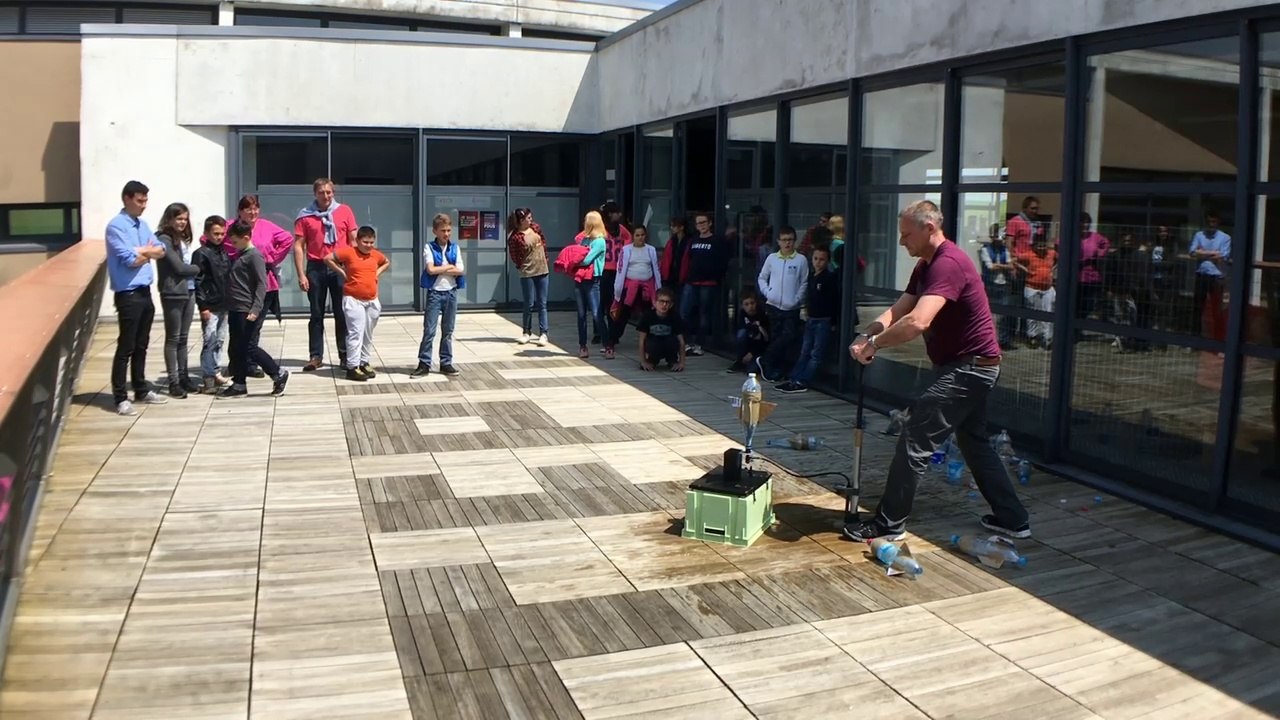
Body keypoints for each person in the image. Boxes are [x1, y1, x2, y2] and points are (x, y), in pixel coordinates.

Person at [843, 200, 1029, 542]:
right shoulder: (926, 265)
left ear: (929, 228)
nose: (901, 242)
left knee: (915, 439)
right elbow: (900, 308)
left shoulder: (949, 264)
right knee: (974, 442)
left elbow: (917, 321)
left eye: (906, 235)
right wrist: (867, 334)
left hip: (970, 369)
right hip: (972, 366)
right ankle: (1013, 519)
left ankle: (889, 524)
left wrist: (875, 346)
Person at [105, 180, 168, 416]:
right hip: (128, 293)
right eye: (140, 200)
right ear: (127, 199)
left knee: (142, 343)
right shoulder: (116, 226)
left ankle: (141, 388)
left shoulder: (142, 225)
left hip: (144, 291)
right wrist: (144, 252)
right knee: (126, 346)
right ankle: (120, 397)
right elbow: (128, 259)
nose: (144, 205)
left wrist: (142, 251)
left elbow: (161, 250)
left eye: (145, 200)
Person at [293, 177, 358, 372]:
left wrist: (355, 270)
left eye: (329, 192)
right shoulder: (305, 216)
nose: (326, 196)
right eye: (321, 192)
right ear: (315, 194)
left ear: (333, 193)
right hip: (316, 266)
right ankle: (315, 356)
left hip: (340, 267)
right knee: (316, 314)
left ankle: (345, 355)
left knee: (342, 313)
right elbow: (298, 246)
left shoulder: (345, 211)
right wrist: (301, 274)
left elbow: (354, 241)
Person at [221, 220, 290, 398]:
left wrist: (256, 309)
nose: (233, 245)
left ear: (245, 238)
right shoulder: (240, 254)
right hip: (235, 307)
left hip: (247, 308)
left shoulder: (254, 256)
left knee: (249, 347)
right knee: (238, 347)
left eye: (235, 241)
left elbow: (261, 284)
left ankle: (277, 373)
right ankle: (239, 383)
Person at [236, 194, 295, 378]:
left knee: (254, 327)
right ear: (240, 211)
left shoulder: (266, 226)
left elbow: (288, 239)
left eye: (255, 208)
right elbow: (209, 238)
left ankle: (251, 364)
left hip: (265, 285)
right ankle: (238, 364)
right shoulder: (233, 227)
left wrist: (272, 258)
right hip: (240, 287)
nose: (252, 212)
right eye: (248, 209)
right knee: (238, 328)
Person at [327, 225, 390, 381]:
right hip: (353, 299)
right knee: (356, 332)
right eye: (365, 242)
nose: (368, 245)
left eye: (371, 242)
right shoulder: (349, 252)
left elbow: (386, 262)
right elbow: (327, 258)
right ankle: (352, 366)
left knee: (368, 333)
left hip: (372, 299)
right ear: (358, 240)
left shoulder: (375, 255)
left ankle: (364, 362)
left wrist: (377, 273)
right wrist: (341, 271)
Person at [777, 246, 839, 394]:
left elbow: (834, 301)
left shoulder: (829, 278)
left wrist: (834, 322)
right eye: (816, 259)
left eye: (822, 259)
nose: (818, 262)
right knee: (805, 351)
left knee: (815, 353)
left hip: (823, 320)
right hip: (811, 318)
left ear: (828, 261)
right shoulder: (811, 276)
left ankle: (802, 380)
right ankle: (794, 378)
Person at [155, 202, 201, 398]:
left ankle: (184, 377)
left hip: (189, 291)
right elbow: (179, 267)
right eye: (178, 218)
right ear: (170, 219)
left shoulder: (182, 239)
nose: (182, 222)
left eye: (184, 218)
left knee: (183, 338)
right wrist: (200, 268)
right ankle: (173, 381)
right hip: (173, 292)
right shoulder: (163, 239)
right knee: (173, 338)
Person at [754, 226, 809, 381]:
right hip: (773, 305)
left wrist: (797, 299)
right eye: (784, 240)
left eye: (790, 240)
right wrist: (768, 292)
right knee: (776, 337)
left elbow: (804, 282)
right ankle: (773, 369)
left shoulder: (801, 260)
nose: (787, 243)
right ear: (778, 241)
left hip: (792, 307)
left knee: (788, 337)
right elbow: (762, 277)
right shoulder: (772, 258)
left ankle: (765, 360)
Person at [413, 213, 465, 378]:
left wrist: (442, 267)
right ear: (435, 231)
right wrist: (449, 267)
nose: (447, 234)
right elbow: (430, 270)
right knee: (429, 330)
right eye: (443, 230)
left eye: (449, 230)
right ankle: (424, 363)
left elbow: (461, 270)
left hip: (451, 292)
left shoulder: (455, 247)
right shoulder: (429, 247)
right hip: (435, 293)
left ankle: (446, 362)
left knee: (448, 330)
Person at [606, 224, 662, 359]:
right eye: (637, 235)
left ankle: (651, 342)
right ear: (633, 236)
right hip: (630, 287)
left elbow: (656, 271)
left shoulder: (651, 250)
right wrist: (618, 292)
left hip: (647, 287)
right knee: (622, 315)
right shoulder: (626, 250)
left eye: (642, 235)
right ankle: (611, 342)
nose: (640, 238)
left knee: (649, 315)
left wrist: (658, 290)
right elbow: (621, 271)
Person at [677, 212, 728, 356]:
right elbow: (687, 260)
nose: (701, 226)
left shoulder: (717, 240)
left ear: (710, 223)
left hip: (709, 283)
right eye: (698, 223)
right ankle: (686, 343)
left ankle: (699, 344)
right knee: (684, 312)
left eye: (704, 222)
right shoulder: (692, 240)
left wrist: (717, 277)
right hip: (691, 281)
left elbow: (723, 261)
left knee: (704, 314)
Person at [192, 215, 232, 394]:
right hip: (210, 304)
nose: (219, 237)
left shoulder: (223, 252)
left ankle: (215, 371)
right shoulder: (201, 254)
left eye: (222, 233)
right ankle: (208, 376)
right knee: (210, 339)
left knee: (220, 339)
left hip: (223, 302)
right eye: (215, 233)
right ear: (206, 233)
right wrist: (203, 306)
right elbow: (198, 281)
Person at [506, 207, 549, 346]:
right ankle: (526, 332)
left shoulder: (536, 228)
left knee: (542, 303)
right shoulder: (515, 236)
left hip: (542, 270)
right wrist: (522, 264)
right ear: (521, 220)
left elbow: (543, 243)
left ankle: (543, 333)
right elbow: (514, 256)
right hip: (527, 272)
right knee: (528, 303)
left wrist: (545, 259)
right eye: (528, 218)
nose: (531, 220)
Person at [573, 211, 608, 359]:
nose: (584, 224)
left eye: (586, 221)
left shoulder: (599, 241)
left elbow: (586, 260)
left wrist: (574, 261)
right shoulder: (585, 240)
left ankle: (607, 345)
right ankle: (582, 346)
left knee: (596, 314)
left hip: (593, 280)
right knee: (581, 315)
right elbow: (577, 241)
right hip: (580, 279)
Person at [598, 201, 632, 345]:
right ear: (611, 214)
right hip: (603, 270)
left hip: (616, 271)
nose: (620, 215)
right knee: (601, 304)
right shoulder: (600, 229)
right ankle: (599, 332)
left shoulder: (621, 229)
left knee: (613, 304)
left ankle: (612, 333)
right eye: (617, 212)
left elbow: (629, 243)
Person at [638, 287, 686, 372]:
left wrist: (682, 363)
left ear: (671, 305)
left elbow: (681, 341)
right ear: (655, 302)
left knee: (672, 340)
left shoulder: (675, 317)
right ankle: (652, 360)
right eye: (661, 301)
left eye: (667, 302)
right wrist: (643, 361)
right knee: (652, 342)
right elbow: (641, 340)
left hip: (669, 344)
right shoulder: (647, 316)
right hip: (653, 345)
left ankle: (672, 360)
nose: (664, 305)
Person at [728, 292, 769, 373]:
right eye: (746, 304)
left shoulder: (762, 316)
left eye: (752, 303)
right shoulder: (742, 315)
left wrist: (752, 353)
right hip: (749, 344)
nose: (750, 306)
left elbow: (764, 339)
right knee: (742, 333)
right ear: (742, 306)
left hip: (761, 348)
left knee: (752, 370)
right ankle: (740, 361)